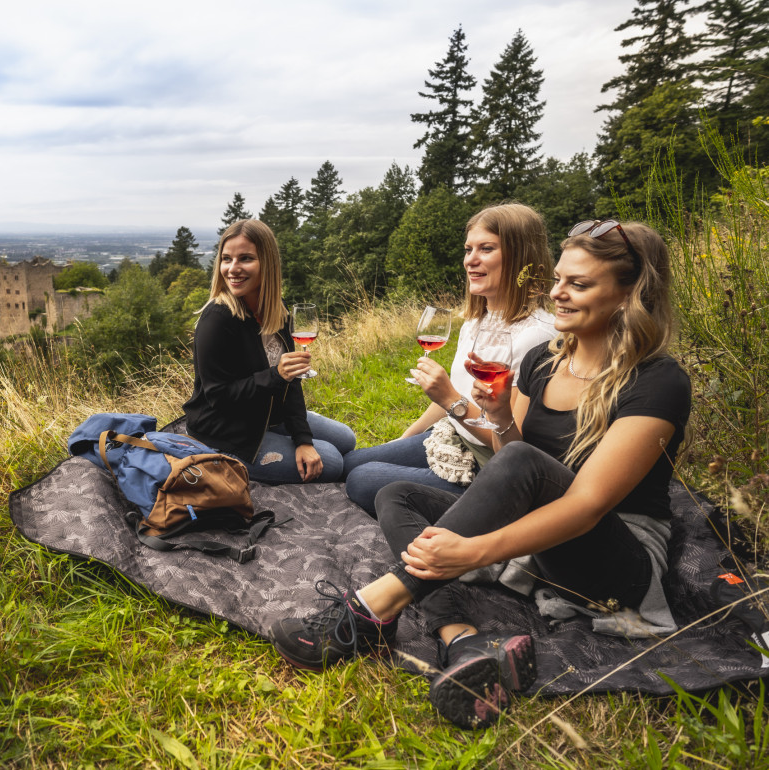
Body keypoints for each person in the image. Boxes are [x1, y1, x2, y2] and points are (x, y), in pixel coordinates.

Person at [269, 219, 692, 729]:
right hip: (541, 544)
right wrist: (499, 418)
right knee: (397, 494)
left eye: (579, 284)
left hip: (614, 561)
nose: (557, 293)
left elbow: (587, 505)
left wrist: (473, 551)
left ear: (630, 296)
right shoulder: (543, 360)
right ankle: (462, 640)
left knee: (515, 468)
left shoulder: (658, 380)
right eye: (558, 278)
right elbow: (514, 454)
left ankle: (368, 612)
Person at [342, 203, 556, 515]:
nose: (471, 260)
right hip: (452, 436)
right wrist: (400, 442)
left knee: (361, 479)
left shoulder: (536, 336)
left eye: (486, 248)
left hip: (487, 465)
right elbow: (450, 398)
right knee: (351, 462)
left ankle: (471, 513)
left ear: (521, 256)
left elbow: (514, 446)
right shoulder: (476, 321)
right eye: (469, 249)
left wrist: (452, 400)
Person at [183, 219, 355, 483]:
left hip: (268, 414)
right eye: (226, 259)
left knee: (346, 438)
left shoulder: (277, 311)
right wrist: (276, 376)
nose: (233, 269)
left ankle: (360, 469)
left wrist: (303, 439)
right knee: (331, 461)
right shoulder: (217, 319)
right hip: (225, 430)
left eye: (246, 259)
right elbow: (219, 396)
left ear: (268, 263)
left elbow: (291, 382)